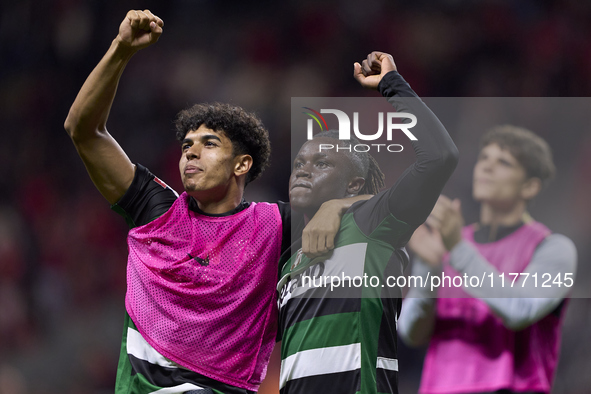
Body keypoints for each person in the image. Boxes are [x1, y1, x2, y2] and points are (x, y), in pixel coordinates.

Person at [64, 10, 364, 394]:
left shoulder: (277, 226)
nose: (191, 153)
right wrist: (120, 49)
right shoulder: (155, 210)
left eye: (209, 145)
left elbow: (390, 213)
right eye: (187, 146)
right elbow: (84, 131)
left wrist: (336, 207)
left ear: (242, 163)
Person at [277, 51, 459, 394]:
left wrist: (392, 85)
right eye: (299, 162)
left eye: (322, 163)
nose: (302, 168)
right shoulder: (288, 260)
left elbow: (440, 157)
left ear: (354, 185)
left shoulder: (373, 222)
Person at [398, 125, 578, 394]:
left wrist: (456, 249)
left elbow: (520, 310)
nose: (487, 168)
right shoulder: (450, 242)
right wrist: (429, 267)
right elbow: (411, 333)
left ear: (529, 186)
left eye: (503, 162)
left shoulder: (553, 249)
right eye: (484, 158)